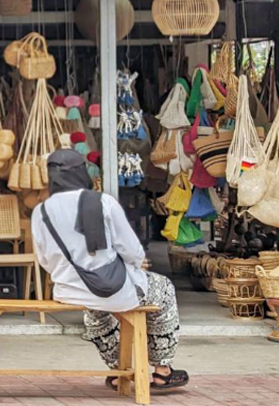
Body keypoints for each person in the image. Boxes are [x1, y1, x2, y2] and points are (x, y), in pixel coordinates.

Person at [32, 149, 188, 392]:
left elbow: (44, 260)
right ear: (81, 172)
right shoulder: (102, 202)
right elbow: (132, 251)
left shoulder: (40, 212)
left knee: (96, 312)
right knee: (164, 289)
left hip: (68, 290)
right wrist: (136, 263)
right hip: (113, 288)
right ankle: (162, 370)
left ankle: (118, 369)